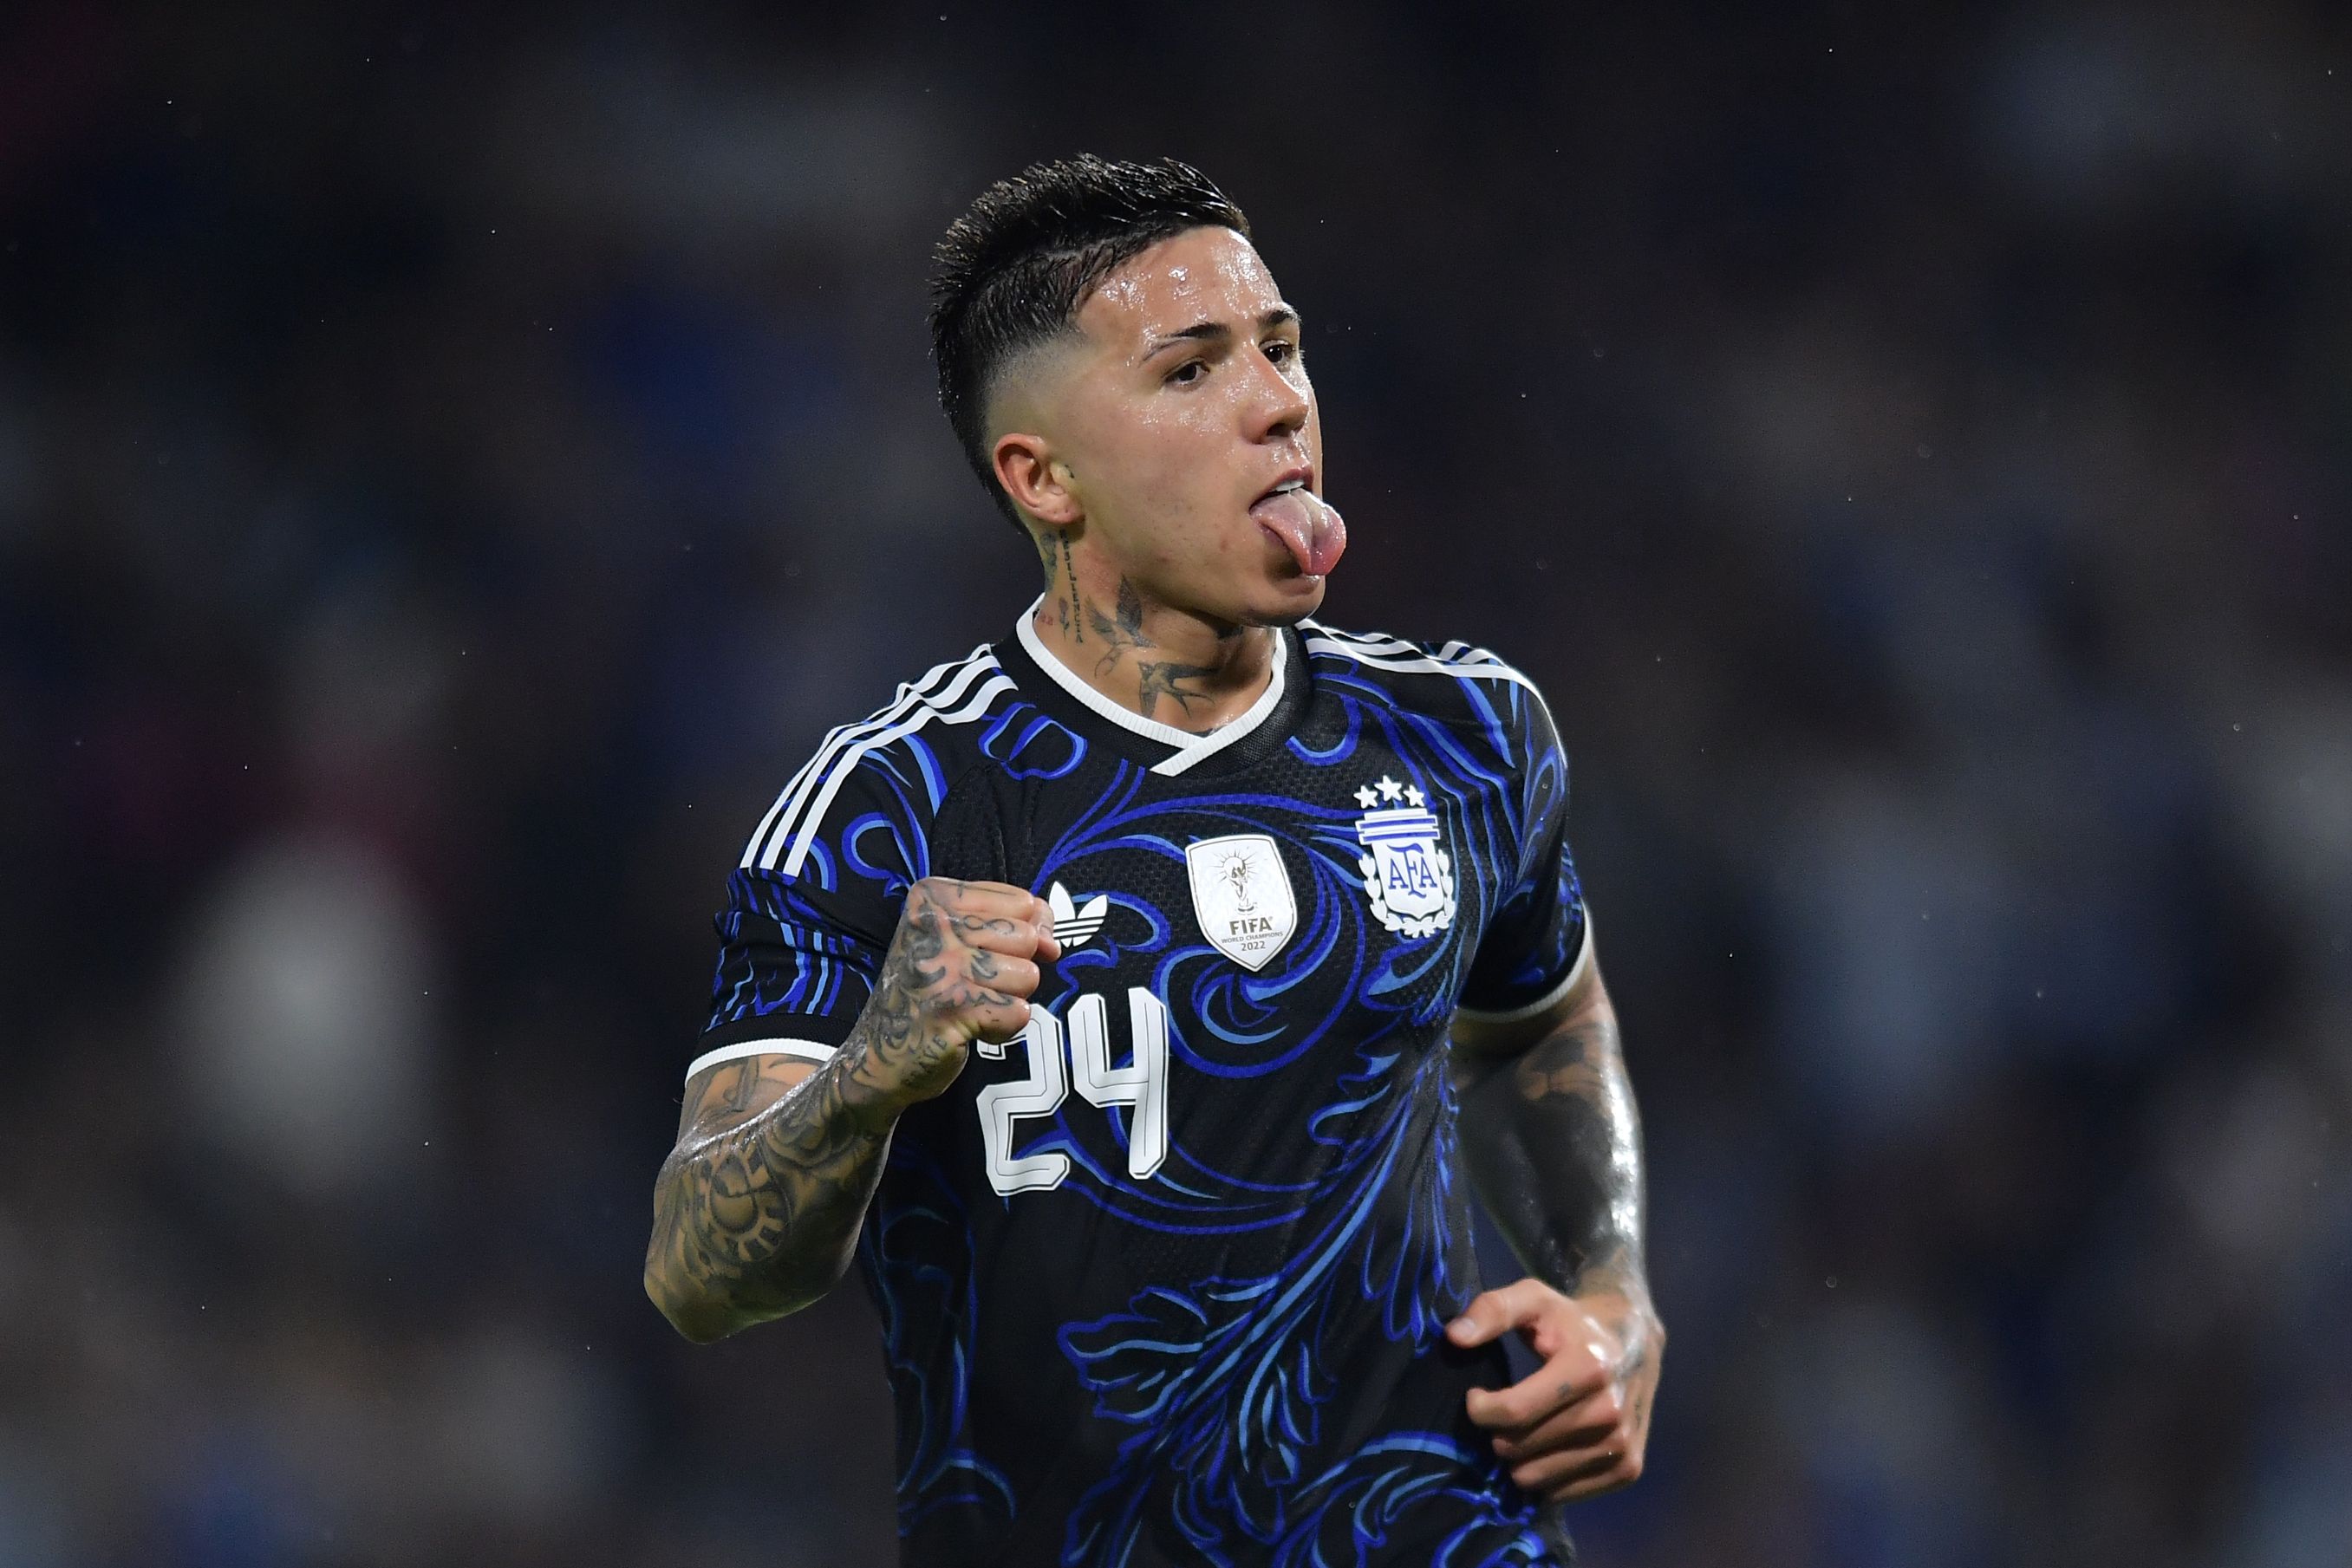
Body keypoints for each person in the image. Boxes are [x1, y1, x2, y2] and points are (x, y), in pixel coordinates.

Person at [643, 155, 1662, 1567]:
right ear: (1041, 476)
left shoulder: (1465, 734)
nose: (1278, 402)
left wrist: (1605, 1283)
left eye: (1280, 345)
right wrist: (873, 1068)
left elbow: (1538, 1019)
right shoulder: (889, 809)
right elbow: (698, 1270)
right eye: (1190, 371)